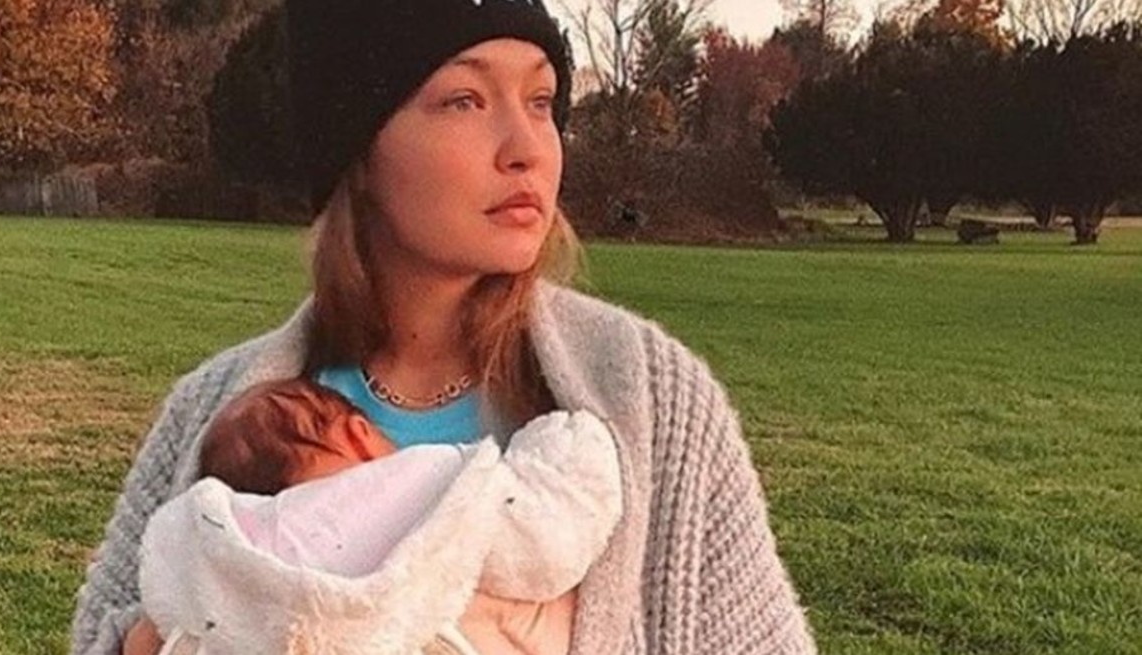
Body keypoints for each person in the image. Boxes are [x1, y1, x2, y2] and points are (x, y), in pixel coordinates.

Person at [70, 0, 818, 652]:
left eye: (541, 100)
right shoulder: (214, 410)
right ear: (358, 153)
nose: (526, 148)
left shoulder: (653, 402)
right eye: (464, 99)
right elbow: (114, 632)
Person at [129, 378, 621, 655]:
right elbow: (548, 534)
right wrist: (567, 442)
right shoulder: (419, 491)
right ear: (359, 434)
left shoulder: (233, 544)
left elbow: (152, 636)